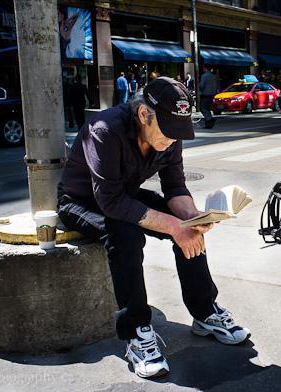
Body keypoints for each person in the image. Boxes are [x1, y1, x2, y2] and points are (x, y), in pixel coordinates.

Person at [57, 77, 250, 379]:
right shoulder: (104, 130)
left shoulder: (170, 133)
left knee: (190, 227)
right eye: (169, 132)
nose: (173, 140)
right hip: (82, 201)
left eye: (179, 133)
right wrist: (174, 226)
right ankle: (136, 331)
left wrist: (193, 215)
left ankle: (204, 311)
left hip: (125, 195)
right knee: (125, 236)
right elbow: (109, 202)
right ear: (144, 114)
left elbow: (175, 187)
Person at [199, 65, 217, 129]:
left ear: (205, 68)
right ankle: (209, 120)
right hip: (212, 94)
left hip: (205, 94)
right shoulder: (213, 76)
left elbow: (201, 85)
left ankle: (209, 119)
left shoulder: (204, 76)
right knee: (207, 108)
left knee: (203, 107)